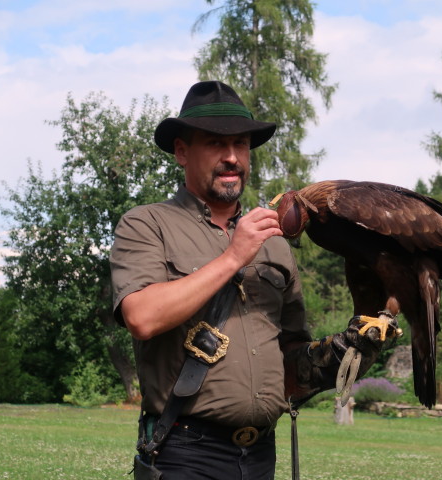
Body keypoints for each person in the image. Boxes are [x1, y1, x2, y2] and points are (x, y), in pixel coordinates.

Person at [110, 80, 397, 480]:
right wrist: (234, 256)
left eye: (241, 144)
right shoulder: (147, 224)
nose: (232, 157)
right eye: (214, 143)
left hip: (261, 454)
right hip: (184, 453)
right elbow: (141, 316)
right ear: (181, 151)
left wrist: (346, 352)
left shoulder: (275, 243)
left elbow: (291, 357)